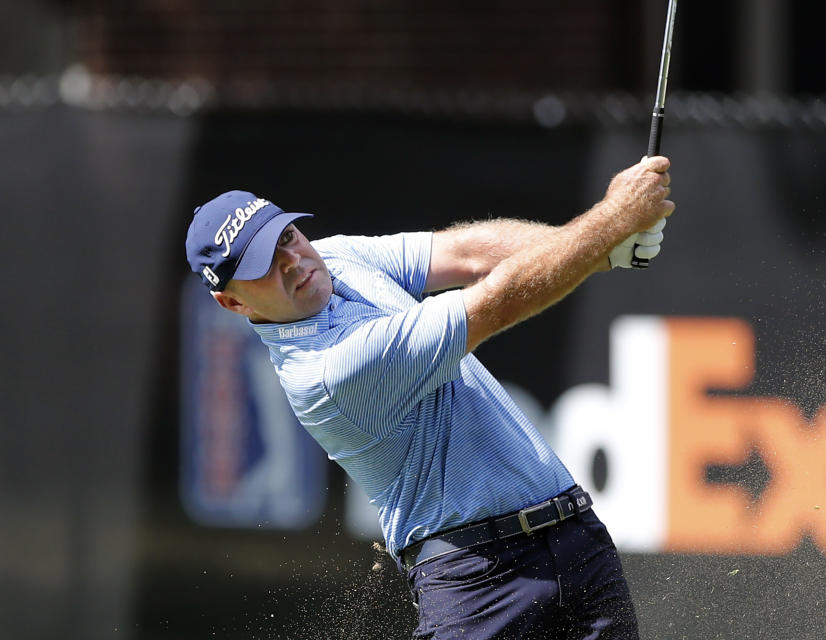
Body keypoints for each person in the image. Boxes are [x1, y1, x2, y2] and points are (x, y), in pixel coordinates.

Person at [184, 155, 675, 639]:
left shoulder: (332, 259)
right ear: (232, 301)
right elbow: (496, 302)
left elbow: (466, 252)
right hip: (480, 585)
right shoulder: (326, 373)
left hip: (579, 543)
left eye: (287, 238)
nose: (293, 263)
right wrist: (610, 222)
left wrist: (608, 247)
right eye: (264, 265)